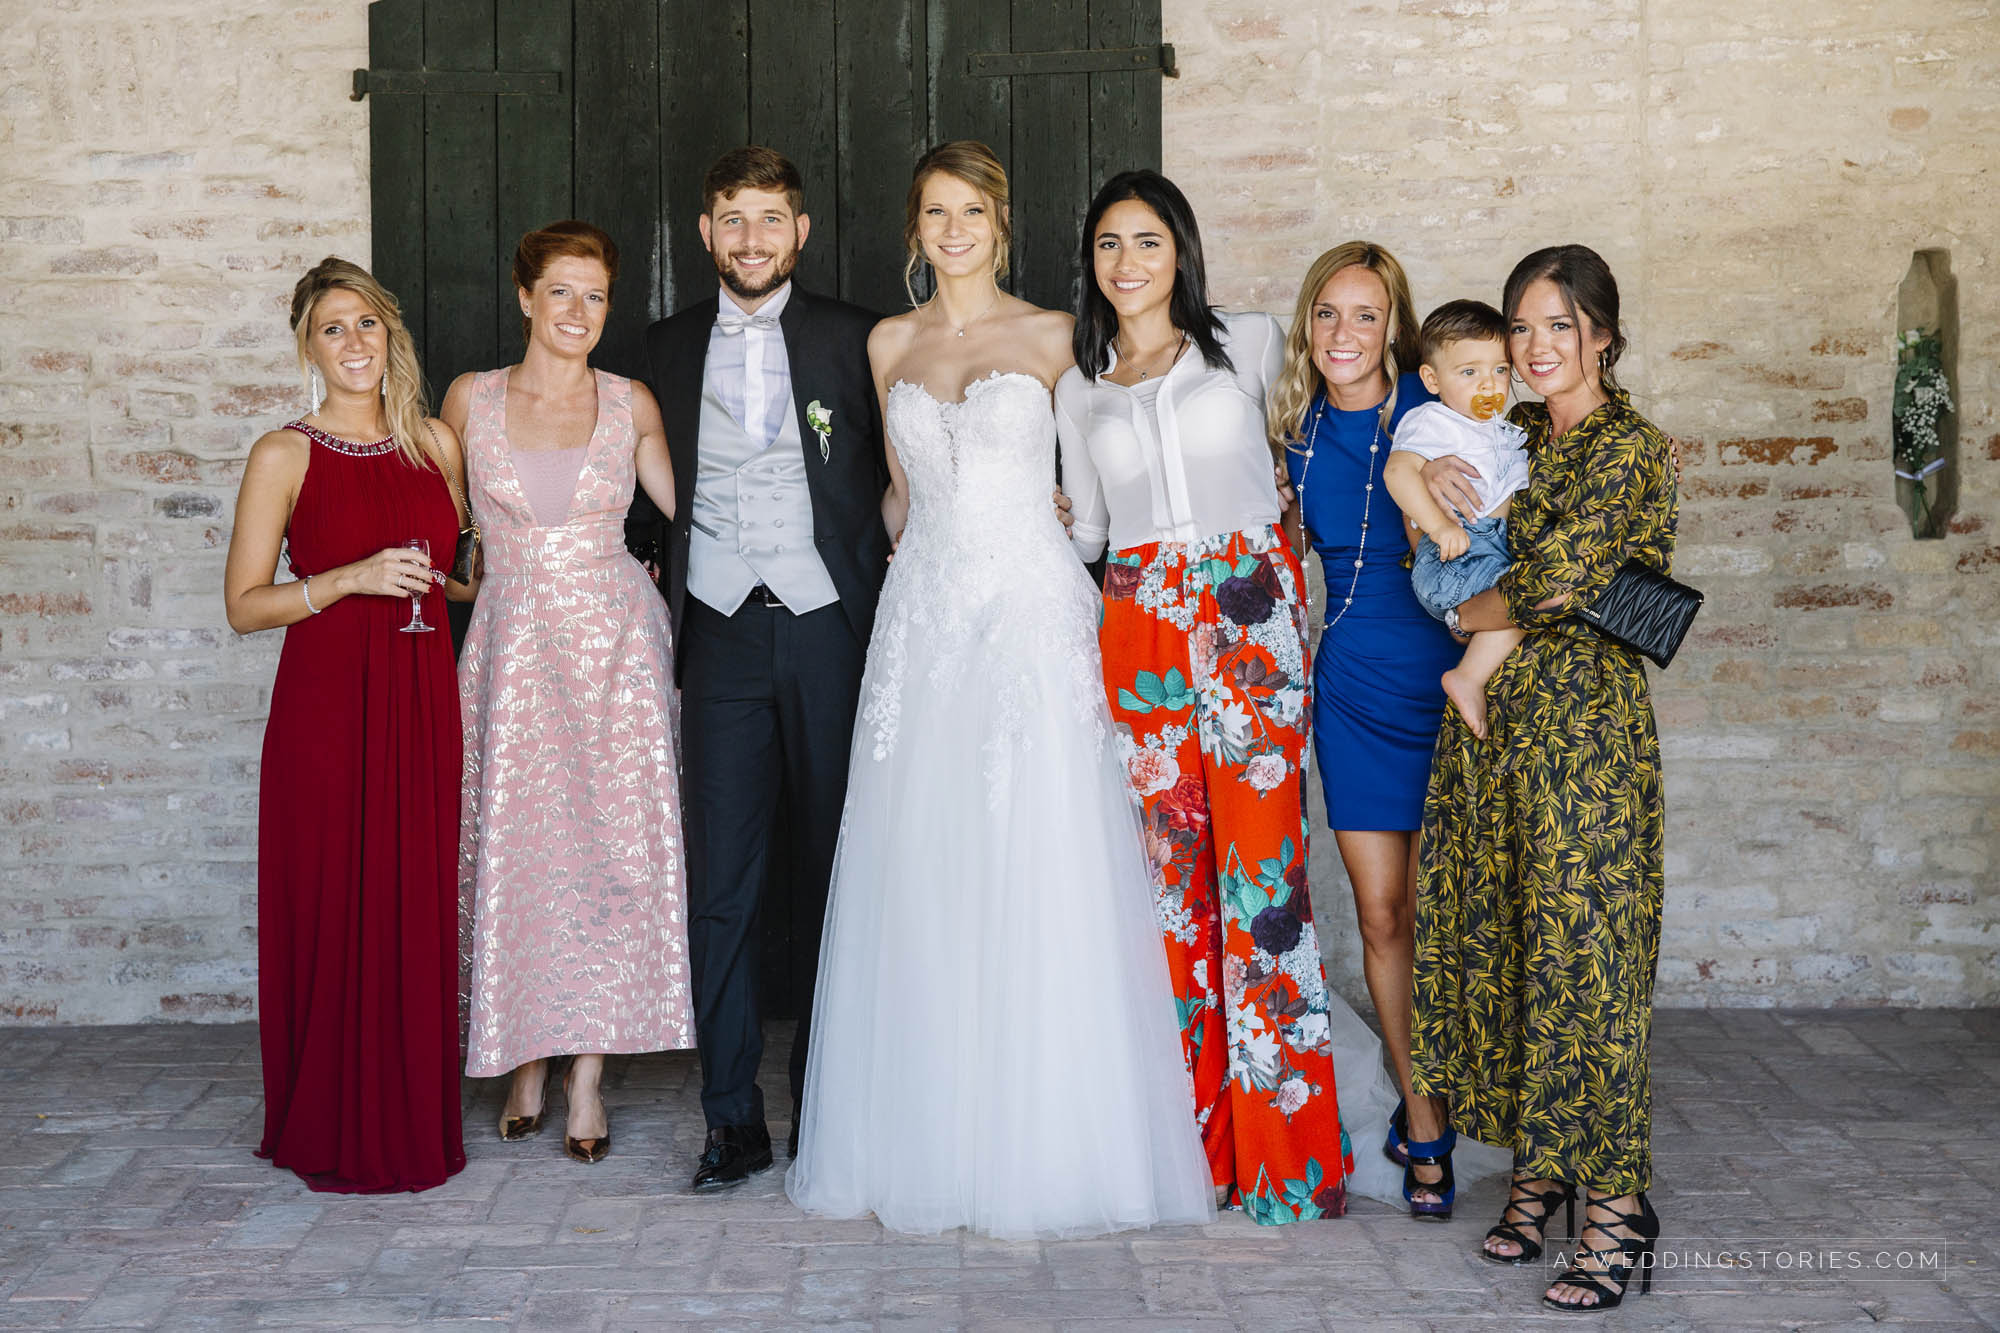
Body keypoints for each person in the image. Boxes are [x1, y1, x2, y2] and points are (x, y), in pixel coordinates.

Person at [786, 142, 1213, 1239]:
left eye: (971, 209)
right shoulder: (887, 342)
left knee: (1041, 856)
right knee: (924, 865)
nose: (953, 227)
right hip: (923, 622)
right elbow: (893, 495)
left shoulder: (1054, 337)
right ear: (914, 227)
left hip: (1031, 612)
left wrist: (1103, 533)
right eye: (935, 210)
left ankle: (1055, 1137)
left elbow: (1105, 464)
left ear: (1001, 222)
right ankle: (925, 1132)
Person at [1053, 169, 1355, 1224]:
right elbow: (1087, 536)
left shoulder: (1254, 340)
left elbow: (1315, 452)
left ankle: (1284, 1165)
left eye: (1144, 241)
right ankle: (1197, 1157)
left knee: (1261, 882)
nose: (1125, 263)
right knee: (1173, 891)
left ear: (1179, 250)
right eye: (1106, 245)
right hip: (1136, 623)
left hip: (1246, 614)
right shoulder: (1076, 385)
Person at [1411, 244, 1676, 1312]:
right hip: (1496, 735)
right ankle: (1540, 1167)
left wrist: (1466, 610)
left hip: (1584, 741)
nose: (1533, 347)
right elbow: (1438, 511)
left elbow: (1557, 580)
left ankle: (1615, 1208)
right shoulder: (1506, 431)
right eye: (1520, 327)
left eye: (1557, 326)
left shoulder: (1628, 449)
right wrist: (1424, 474)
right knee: (1514, 947)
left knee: (1585, 963)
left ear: (1601, 335)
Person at [640, 147, 890, 1191]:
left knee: (843, 869)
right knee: (724, 883)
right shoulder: (656, 350)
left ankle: (830, 1100)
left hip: (832, 625)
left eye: (769, 219)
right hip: (721, 630)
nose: (750, 238)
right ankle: (731, 1114)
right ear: (706, 232)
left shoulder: (852, 338)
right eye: (730, 218)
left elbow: (909, 466)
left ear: (800, 231)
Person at [222, 257, 470, 1193]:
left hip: (418, 698)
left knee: (408, 897)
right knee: (334, 898)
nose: (355, 342)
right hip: (326, 709)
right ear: (307, 346)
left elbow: (447, 576)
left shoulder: (438, 443)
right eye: (334, 327)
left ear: (390, 334)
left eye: (367, 323)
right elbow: (246, 606)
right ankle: (325, 1116)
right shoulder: (283, 453)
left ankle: (406, 1111)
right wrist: (347, 579)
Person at [448, 220, 691, 1165]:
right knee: (518, 851)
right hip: (510, 655)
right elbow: (441, 535)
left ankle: (586, 1072)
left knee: (604, 857)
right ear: (524, 297)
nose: (578, 312)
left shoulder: (631, 402)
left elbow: (699, 510)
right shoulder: (468, 397)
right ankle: (524, 1055)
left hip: (617, 654)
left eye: (595, 296)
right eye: (561, 292)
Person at [1272, 242, 1462, 1219]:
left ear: (1394, 327)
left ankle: (1469, 1083)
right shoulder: (1291, 432)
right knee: (1383, 915)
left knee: (1451, 918)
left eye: (1365, 315)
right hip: (1347, 689)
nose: (1343, 334)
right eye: (1326, 314)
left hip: (1446, 683)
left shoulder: (1434, 422)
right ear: (1308, 328)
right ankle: (1421, 1119)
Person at [1382, 300, 1530, 739]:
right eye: (1469, 373)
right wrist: (1440, 526)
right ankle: (1467, 677)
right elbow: (1397, 472)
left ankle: (1474, 674)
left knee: (1533, 596)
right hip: (1458, 554)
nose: (1489, 384)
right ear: (1432, 379)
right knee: (1534, 598)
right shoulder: (1433, 420)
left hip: (1489, 546)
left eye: (1500, 370)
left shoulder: (1502, 427)